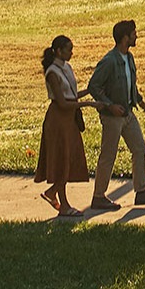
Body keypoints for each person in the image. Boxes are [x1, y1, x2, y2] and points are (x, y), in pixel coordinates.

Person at [88, 18, 145, 206]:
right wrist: (109, 106)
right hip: (112, 118)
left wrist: (141, 102)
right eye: (134, 33)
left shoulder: (129, 58)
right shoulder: (109, 61)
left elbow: (130, 84)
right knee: (108, 155)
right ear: (125, 37)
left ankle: (141, 191)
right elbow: (94, 86)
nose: (136, 36)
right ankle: (98, 197)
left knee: (139, 148)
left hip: (128, 113)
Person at [34, 34, 90, 213]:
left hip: (69, 119)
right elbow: (62, 102)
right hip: (58, 119)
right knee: (61, 159)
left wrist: (90, 91)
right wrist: (90, 104)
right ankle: (63, 204)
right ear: (58, 51)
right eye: (69, 50)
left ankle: (52, 192)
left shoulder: (67, 67)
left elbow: (71, 95)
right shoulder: (52, 72)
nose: (71, 53)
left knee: (70, 158)